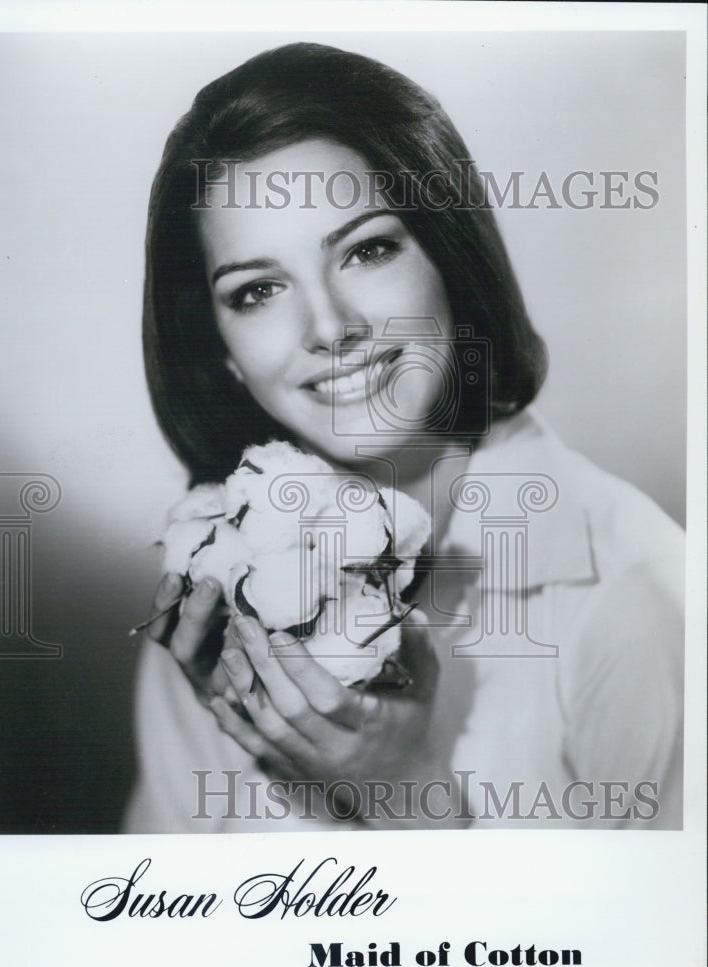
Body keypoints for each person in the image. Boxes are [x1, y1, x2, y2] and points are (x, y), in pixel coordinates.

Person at [123, 42, 684, 832]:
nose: (330, 327)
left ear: (448, 255)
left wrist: (397, 789)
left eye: (368, 249)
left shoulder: (642, 599)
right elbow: (156, 934)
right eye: (256, 291)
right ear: (222, 351)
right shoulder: (214, 606)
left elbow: (641, 954)